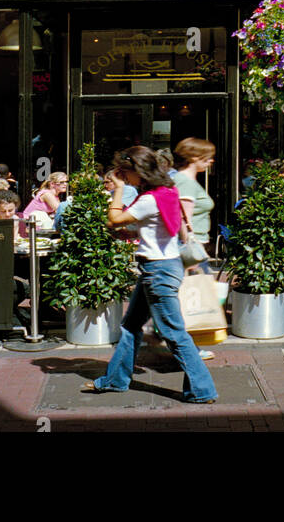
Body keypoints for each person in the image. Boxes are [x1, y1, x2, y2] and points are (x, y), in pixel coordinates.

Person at [82, 146, 217, 404]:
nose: (122, 177)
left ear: (138, 172)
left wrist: (118, 190)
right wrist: (135, 233)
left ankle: (202, 390)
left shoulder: (148, 199)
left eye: (125, 173)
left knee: (174, 334)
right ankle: (115, 380)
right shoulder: (166, 192)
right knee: (132, 326)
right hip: (163, 266)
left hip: (158, 271)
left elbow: (113, 219)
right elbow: (161, 230)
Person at [171, 138, 215, 251]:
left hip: (194, 241)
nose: (211, 161)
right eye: (207, 157)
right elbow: (184, 218)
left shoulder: (187, 180)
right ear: (194, 157)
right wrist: (190, 247)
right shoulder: (185, 182)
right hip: (191, 243)